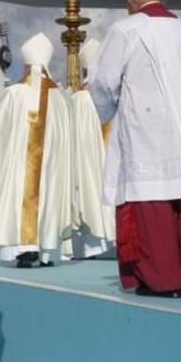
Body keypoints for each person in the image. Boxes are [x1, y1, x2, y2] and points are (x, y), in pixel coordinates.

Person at [89, 0, 181, 297]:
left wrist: (108, 111)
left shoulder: (127, 30)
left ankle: (162, 280)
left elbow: (104, 81)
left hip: (147, 128)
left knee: (153, 200)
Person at [0, 32, 75, 267]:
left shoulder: (14, 93)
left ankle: (25, 247)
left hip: (21, 163)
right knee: (47, 192)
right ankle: (42, 247)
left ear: (26, 65)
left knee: (23, 190)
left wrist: (0, 156)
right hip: (52, 165)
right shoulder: (61, 98)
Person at [68, 39, 116, 258]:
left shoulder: (80, 99)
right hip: (113, 161)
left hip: (89, 163)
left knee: (90, 192)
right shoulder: (117, 95)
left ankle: (92, 244)